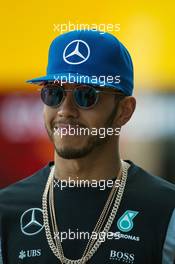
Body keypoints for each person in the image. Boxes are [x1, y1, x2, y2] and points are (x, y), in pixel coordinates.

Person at [0, 30, 175, 264]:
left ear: (124, 111)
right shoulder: (6, 210)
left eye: (86, 95)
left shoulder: (166, 211)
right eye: (54, 93)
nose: (65, 110)